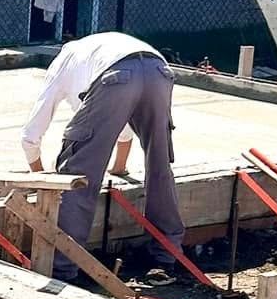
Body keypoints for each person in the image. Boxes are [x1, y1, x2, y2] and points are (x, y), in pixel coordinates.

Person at [20, 31, 185, 270]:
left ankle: (62, 265)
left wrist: (40, 177)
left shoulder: (64, 63)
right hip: (158, 69)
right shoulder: (94, 53)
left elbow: (31, 135)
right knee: (159, 164)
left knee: (78, 169)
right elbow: (123, 121)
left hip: (116, 73)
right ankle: (167, 253)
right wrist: (119, 167)